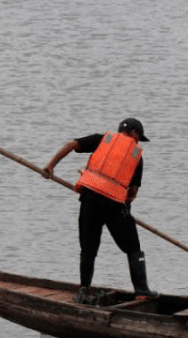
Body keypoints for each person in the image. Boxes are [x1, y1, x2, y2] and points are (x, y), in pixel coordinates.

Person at [43, 118, 157, 302]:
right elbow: (133, 192)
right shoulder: (136, 155)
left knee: (88, 249)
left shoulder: (103, 139)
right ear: (135, 133)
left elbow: (72, 144)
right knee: (133, 249)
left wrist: (50, 166)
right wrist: (126, 203)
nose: (137, 142)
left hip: (90, 201)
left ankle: (83, 290)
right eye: (139, 137)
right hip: (115, 206)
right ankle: (142, 291)